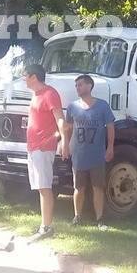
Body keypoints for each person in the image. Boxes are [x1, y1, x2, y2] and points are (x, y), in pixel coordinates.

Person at [63, 74, 115, 230]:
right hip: (79, 155)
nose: (78, 88)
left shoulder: (103, 106)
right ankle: (77, 216)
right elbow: (69, 128)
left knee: (98, 187)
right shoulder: (72, 107)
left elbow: (110, 127)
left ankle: (99, 218)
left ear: (89, 86)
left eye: (80, 84)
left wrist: (110, 146)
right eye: (76, 85)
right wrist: (65, 144)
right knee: (79, 187)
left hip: (97, 154)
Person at [23, 64, 65, 241]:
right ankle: (44, 225)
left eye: (25, 75)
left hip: (43, 147)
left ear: (34, 77)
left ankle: (46, 227)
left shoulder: (50, 94)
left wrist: (64, 142)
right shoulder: (35, 95)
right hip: (33, 147)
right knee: (40, 187)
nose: (23, 78)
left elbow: (60, 119)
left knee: (45, 187)